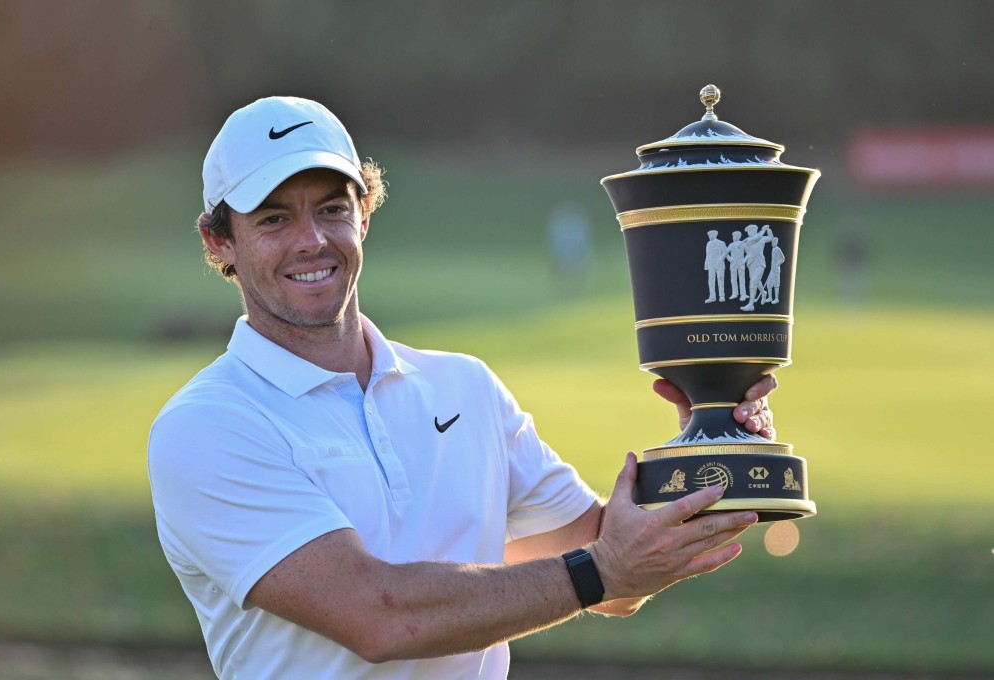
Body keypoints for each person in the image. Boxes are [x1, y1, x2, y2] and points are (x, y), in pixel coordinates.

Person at [147, 96, 778, 680]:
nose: (312, 240)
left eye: (332, 208)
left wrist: (712, 444)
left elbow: (615, 570)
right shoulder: (207, 426)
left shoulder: (464, 386)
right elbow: (379, 615)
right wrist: (603, 571)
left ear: (364, 215)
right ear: (219, 241)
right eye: (274, 218)